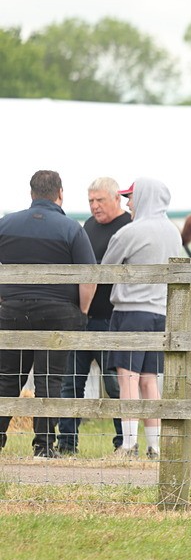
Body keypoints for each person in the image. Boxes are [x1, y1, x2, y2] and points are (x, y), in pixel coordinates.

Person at [0, 171, 96, 457]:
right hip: (58, 313)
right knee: (49, 380)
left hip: (12, 312)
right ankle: (43, 445)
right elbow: (89, 276)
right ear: (60, 193)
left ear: (31, 193)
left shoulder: (6, 224)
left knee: (6, 378)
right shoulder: (71, 228)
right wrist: (81, 312)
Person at [102, 179, 185, 458]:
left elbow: (105, 268)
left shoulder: (131, 232)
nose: (127, 203)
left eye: (131, 198)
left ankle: (128, 443)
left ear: (144, 198)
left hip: (130, 311)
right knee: (150, 380)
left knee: (127, 378)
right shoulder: (173, 233)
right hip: (160, 312)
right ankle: (155, 445)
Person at [57, 177, 131, 455]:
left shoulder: (128, 227)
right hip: (81, 318)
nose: (95, 206)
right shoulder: (87, 227)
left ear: (116, 199)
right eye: (90, 201)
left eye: (100, 200)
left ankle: (123, 442)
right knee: (70, 383)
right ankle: (67, 444)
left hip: (111, 320)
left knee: (115, 384)